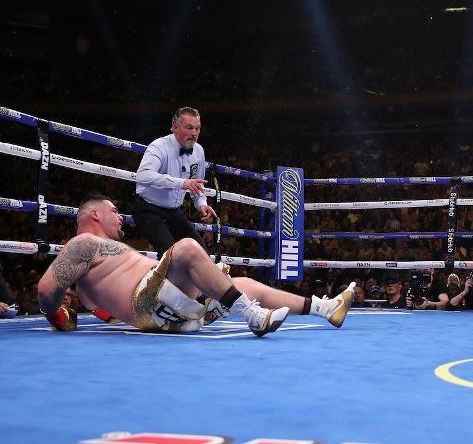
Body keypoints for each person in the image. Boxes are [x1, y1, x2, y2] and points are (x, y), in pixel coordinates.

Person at [37, 194, 355, 335]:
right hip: (149, 302)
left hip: (167, 309)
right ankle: (253, 316)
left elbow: (99, 307)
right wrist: (57, 315)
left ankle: (324, 308)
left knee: (241, 284)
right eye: (114, 211)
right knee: (187, 247)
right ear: (94, 214)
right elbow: (46, 289)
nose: (120, 217)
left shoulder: (102, 256)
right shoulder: (83, 243)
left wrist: (70, 314)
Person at [133, 107, 217, 259]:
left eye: (197, 128)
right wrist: (180, 183)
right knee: (172, 257)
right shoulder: (159, 146)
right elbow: (143, 175)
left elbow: (197, 184)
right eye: (189, 128)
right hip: (149, 209)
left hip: (174, 212)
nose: (194, 133)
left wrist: (201, 204)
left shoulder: (198, 151)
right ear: (174, 127)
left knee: (202, 255)